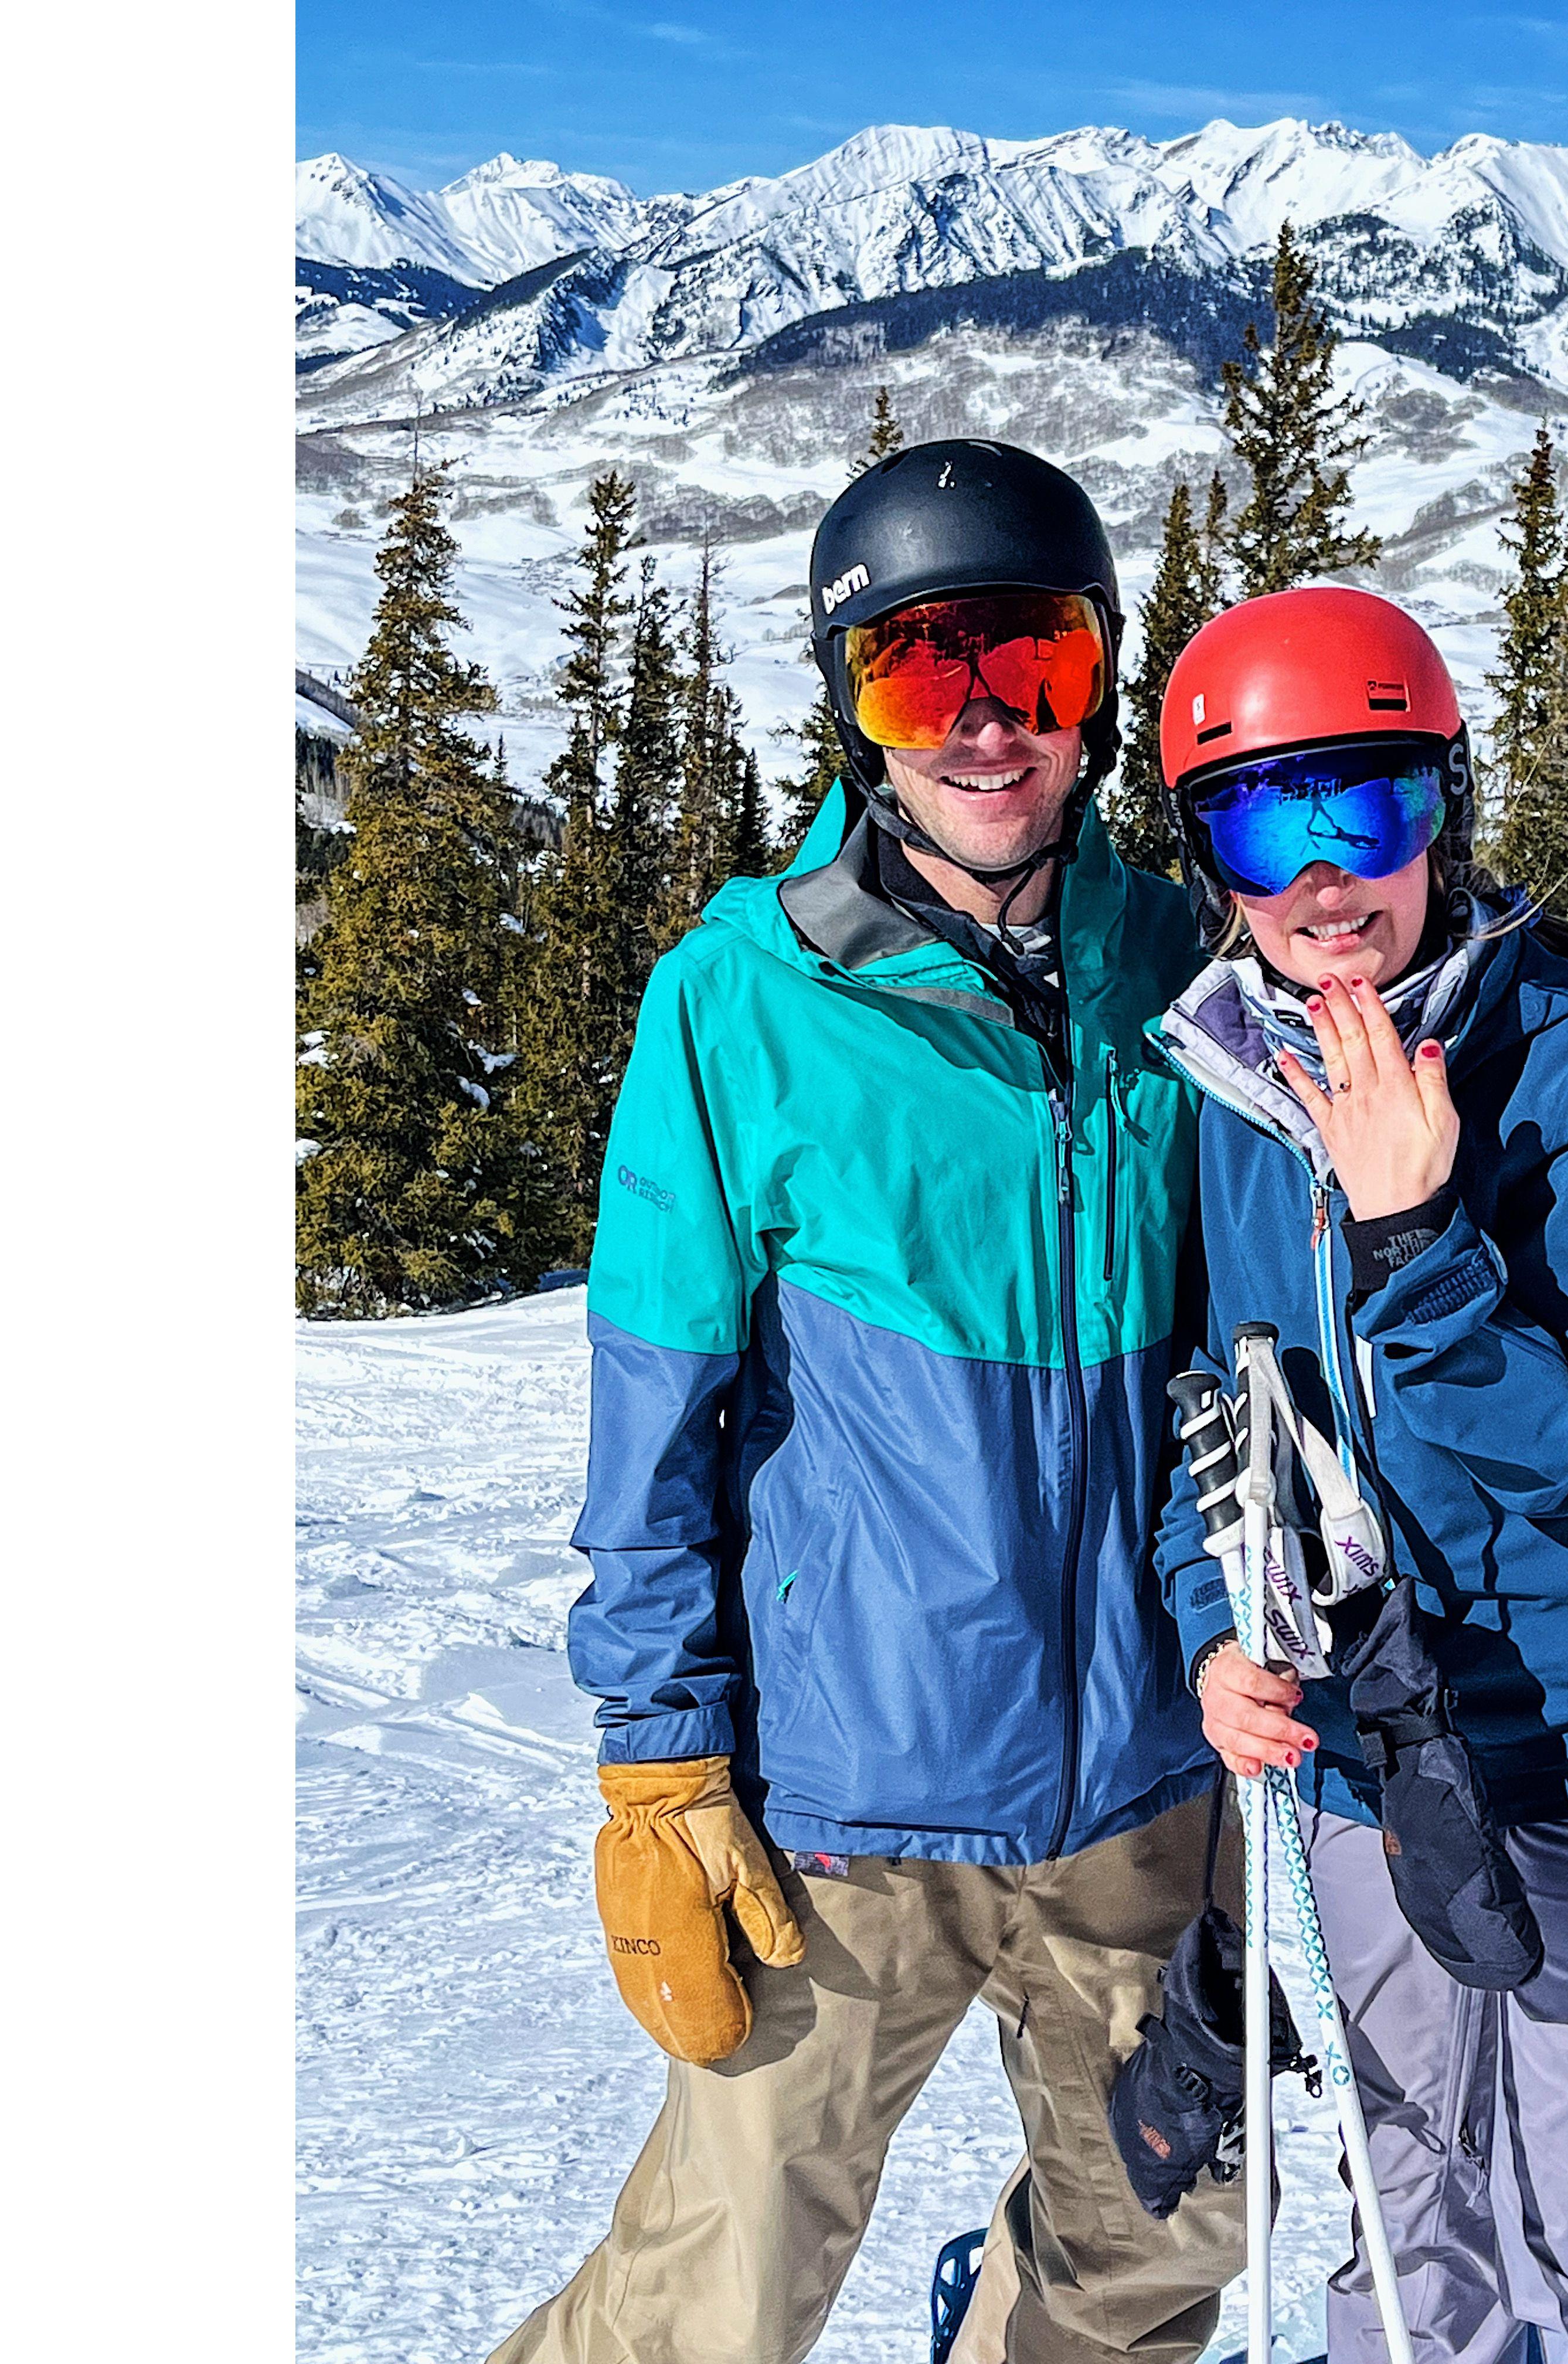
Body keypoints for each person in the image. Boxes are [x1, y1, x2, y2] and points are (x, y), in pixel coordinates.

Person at [491, 441, 1244, 2364]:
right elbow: (654, 1419)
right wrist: (663, 1757)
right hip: (847, 1809)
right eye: (923, 672)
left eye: (1039, 665)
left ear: (1098, 683)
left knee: (1150, 2255)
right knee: (716, 2294)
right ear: (854, 706)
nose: (986, 725)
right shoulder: (736, 1001)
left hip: (1149, 1796)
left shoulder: (1183, 970)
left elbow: (1350, 1212)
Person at [1149, 586, 1568, 2364]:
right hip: (1376, 1738)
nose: (1323, 878)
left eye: (1367, 806)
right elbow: (1220, 1408)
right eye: (1264, 822)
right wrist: (1223, 1630)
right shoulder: (1230, 1087)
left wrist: (1418, 1224)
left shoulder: (1566, 1057)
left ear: (1441, 803)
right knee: (1404, 2210)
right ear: (1212, 856)